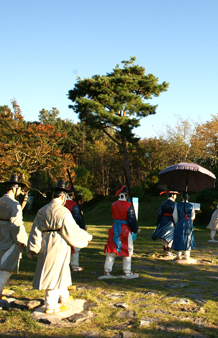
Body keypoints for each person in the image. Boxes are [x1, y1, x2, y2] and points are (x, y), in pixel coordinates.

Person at [27, 180, 92, 314]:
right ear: (63, 197)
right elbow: (72, 230)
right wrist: (86, 236)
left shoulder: (42, 210)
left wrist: (33, 248)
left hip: (46, 242)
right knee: (54, 272)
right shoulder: (63, 212)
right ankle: (50, 304)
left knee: (61, 270)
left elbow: (35, 230)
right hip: (59, 242)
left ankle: (64, 297)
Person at [99, 186, 140, 280]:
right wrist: (135, 229)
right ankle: (127, 270)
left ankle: (107, 269)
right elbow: (132, 219)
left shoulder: (113, 204)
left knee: (111, 248)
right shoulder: (129, 206)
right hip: (125, 229)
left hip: (115, 228)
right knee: (128, 249)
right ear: (126, 195)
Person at [0, 175, 28, 299]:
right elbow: (16, 225)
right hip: (9, 237)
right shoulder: (15, 204)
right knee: (8, 264)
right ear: (15, 189)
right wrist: (22, 240)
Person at [64, 188, 87, 271]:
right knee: (75, 247)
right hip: (71, 227)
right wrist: (83, 226)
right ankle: (74, 265)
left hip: (61, 228)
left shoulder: (61, 204)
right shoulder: (73, 205)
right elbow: (77, 218)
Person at [152, 190, 178, 256]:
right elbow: (175, 214)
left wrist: (158, 222)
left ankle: (164, 250)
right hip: (170, 221)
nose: (176, 196)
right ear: (172, 195)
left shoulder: (163, 203)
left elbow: (159, 213)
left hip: (163, 220)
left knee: (164, 236)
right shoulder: (175, 204)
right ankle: (168, 251)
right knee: (170, 236)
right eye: (175, 195)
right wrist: (176, 222)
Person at [172, 192, 195, 261]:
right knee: (188, 237)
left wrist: (177, 222)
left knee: (179, 237)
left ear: (182, 197)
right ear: (188, 198)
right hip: (188, 223)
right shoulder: (191, 206)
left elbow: (174, 215)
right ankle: (187, 255)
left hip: (179, 223)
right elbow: (193, 216)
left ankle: (178, 255)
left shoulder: (177, 205)